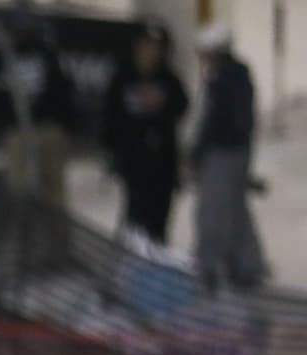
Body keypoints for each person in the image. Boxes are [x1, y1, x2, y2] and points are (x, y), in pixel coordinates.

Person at [189, 24, 268, 292]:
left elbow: (211, 122)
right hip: (238, 152)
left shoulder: (222, 81)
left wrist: (196, 153)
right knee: (235, 207)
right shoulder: (240, 77)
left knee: (213, 211)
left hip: (221, 154)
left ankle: (209, 266)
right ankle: (247, 263)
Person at [101, 22, 188, 244]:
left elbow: (181, 107)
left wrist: (162, 104)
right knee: (136, 220)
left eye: (156, 48)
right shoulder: (122, 77)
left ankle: (156, 266)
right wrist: (112, 153)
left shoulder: (168, 78)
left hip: (163, 163)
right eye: (147, 46)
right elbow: (110, 117)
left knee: (159, 220)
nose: (151, 52)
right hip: (134, 161)